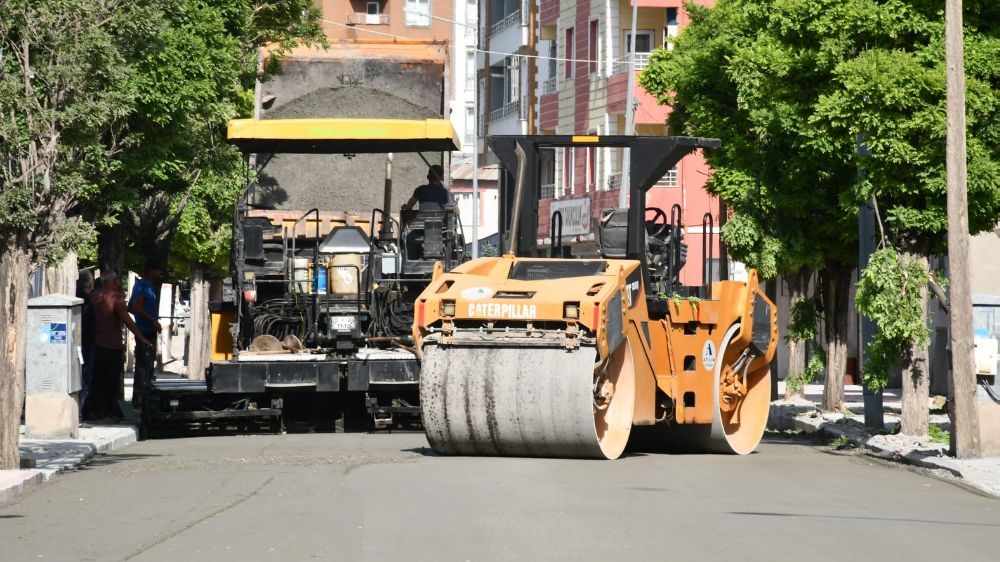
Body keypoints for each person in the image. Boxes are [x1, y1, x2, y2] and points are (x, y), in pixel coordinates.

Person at [85, 272, 151, 423]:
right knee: (111, 382)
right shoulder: (115, 297)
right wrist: (141, 337)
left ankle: (97, 412)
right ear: (114, 282)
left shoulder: (92, 296)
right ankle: (107, 413)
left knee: (97, 381)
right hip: (112, 346)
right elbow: (126, 319)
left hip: (94, 344)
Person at [128, 259, 162, 407]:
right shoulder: (145, 286)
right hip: (145, 331)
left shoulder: (139, 285)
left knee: (143, 366)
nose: (160, 273)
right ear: (151, 271)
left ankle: (140, 399)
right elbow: (136, 307)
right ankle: (142, 401)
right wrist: (152, 320)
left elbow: (130, 307)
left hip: (143, 330)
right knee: (145, 366)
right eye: (158, 270)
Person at [76, 270, 95, 417]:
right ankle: (79, 411)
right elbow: (89, 324)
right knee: (84, 377)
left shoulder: (73, 295)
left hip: (75, 343)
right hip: (85, 344)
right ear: (90, 285)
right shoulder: (86, 300)